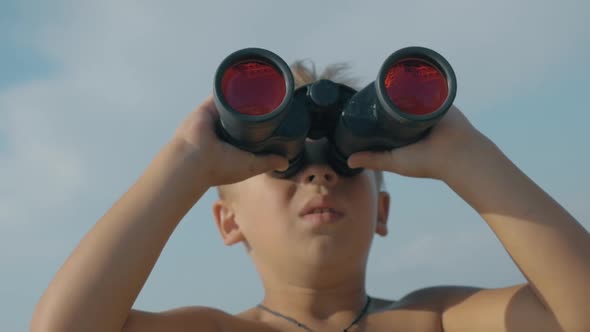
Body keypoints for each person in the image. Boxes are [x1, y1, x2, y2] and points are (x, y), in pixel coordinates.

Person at [31, 60, 590, 332]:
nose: (319, 177)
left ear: (382, 211)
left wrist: (466, 154)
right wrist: (186, 161)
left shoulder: (432, 319)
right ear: (229, 223)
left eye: (346, 164)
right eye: (285, 168)